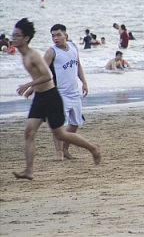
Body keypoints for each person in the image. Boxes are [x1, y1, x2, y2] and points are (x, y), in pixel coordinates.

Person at [11, 18, 101, 180]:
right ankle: (29, 171)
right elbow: (40, 75)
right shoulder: (25, 56)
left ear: (26, 38)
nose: (13, 38)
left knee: (60, 134)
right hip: (40, 96)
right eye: (13, 35)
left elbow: (47, 75)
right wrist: (32, 89)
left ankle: (92, 148)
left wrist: (28, 85)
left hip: (51, 95)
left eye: (17, 35)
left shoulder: (34, 55)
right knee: (29, 132)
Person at [39, 24, 90, 160]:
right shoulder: (51, 52)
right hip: (60, 94)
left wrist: (84, 82)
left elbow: (78, 65)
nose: (55, 38)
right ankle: (58, 153)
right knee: (59, 125)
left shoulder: (73, 47)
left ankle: (65, 149)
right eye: (53, 36)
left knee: (75, 123)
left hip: (74, 92)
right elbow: (41, 70)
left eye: (58, 35)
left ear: (65, 36)